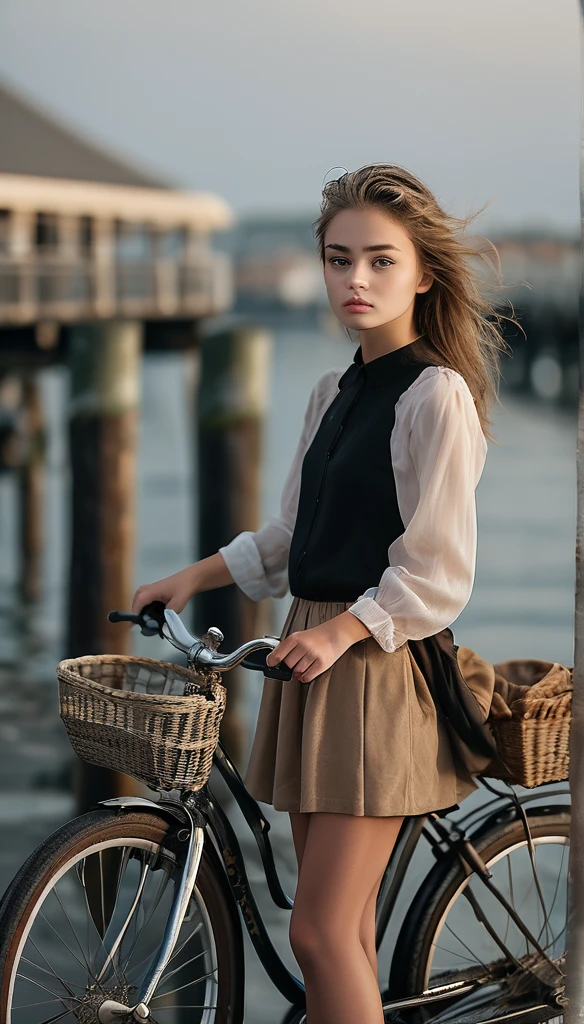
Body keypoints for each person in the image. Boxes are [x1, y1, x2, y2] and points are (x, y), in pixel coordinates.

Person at [131, 163, 518, 1024]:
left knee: (319, 934)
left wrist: (343, 633)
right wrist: (191, 577)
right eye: (339, 260)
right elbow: (289, 541)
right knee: (334, 929)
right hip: (314, 659)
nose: (356, 280)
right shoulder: (330, 392)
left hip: (377, 667)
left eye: (381, 261)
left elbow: (438, 570)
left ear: (423, 272)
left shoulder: (436, 396)